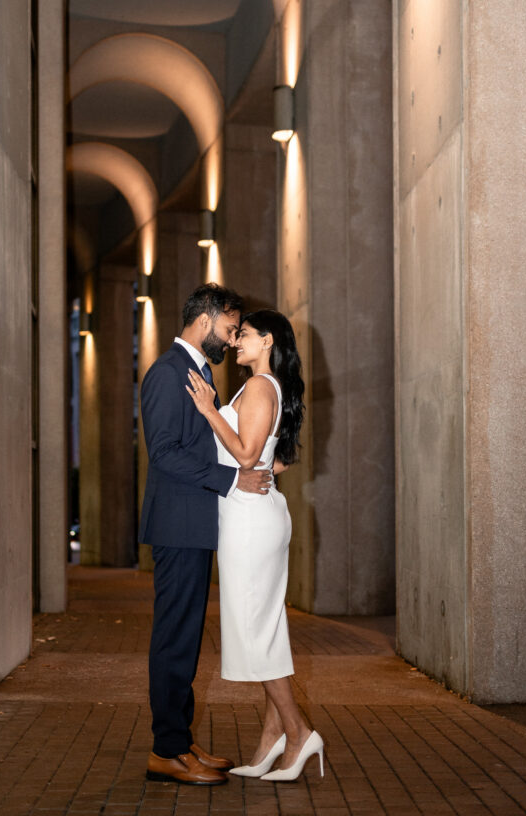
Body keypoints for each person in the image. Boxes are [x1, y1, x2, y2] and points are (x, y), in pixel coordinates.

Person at [139, 284, 273, 786]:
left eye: (238, 330)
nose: (234, 336)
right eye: (230, 327)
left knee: (187, 638)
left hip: (195, 525)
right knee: (174, 638)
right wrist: (232, 478)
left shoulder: (199, 373)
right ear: (206, 319)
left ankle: (180, 740)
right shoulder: (168, 373)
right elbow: (165, 453)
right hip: (177, 526)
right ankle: (166, 751)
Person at [186, 309, 324, 782]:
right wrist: (263, 465)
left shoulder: (262, 387)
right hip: (250, 515)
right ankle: (273, 738)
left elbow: (246, 453)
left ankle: (298, 732)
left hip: (250, 522)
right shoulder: (261, 387)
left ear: (267, 341)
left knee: (255, 631)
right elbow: (274, 457)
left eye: (243, 335)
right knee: (265, 629)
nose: (235, 342)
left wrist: (208, 411)